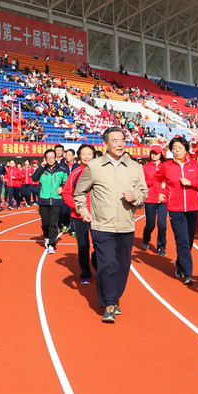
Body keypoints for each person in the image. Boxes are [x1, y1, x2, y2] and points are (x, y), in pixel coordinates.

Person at [74, 127, 147, 323]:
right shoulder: (94, 166)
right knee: (107, 264)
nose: (120, 144)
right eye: (115, 141)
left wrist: (135, 197)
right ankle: (110, 303)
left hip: (126, 225)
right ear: (105, 144)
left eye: (122, 140)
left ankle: (112, 297)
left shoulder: (135, 167)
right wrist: (84, 212)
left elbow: (143, 193)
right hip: (101, 226)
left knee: (123, 265)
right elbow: (79, 192)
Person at [156, 136, 198, 285]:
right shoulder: (167, 166)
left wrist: (190, 183)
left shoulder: (194, 165)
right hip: (175, 208)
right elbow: (156, 180)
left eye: (179, 148)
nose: (176, 151)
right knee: (182, 240)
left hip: (192, 208)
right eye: (174, 148)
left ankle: (180, 263)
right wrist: (160, 192)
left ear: (186, 149)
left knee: (189, 239)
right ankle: (188, 273)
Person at [62, 144, 97, 284]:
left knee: (100, 245)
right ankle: (85, 273)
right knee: (83, 246)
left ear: (94, 155)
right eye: (84, 154)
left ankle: (97, 264)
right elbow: (66, 193)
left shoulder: (100, 172)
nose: (87, 156)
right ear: (79, 157)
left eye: (89, 154)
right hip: (79, 216)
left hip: (98, 216)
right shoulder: (75, 173)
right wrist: (76, 207)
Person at [31, 149, 68, 254]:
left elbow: (66, 183)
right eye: (48, 158)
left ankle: (52, 244)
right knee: (45, 223)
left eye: (52, 157)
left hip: (57, 200)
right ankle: (46, 236)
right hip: (44, 200)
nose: (50, 159)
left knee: (53, 222)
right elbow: (34, 178)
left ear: (56, 158)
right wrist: (41, 167)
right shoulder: (42, 170)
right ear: (45, 159)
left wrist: (62, 187)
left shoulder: (62, 170)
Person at [141, 144, 167, 256]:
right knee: (150, 224)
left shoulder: (166, 166)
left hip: (163, 198)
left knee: (162, 224)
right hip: (150, 198)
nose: (154, 155)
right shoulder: (145, 167)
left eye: (156, 153)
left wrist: (165, 183)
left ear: (161, 154)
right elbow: (143, 182)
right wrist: (154, 182)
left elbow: (169, 180)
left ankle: (161, 246)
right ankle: (146, 238)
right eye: (153, 153)